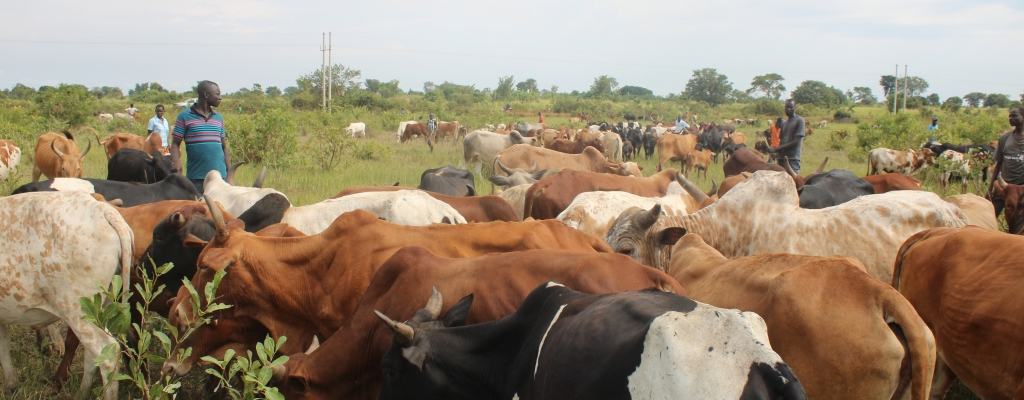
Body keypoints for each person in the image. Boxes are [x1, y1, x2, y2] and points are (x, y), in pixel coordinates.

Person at [170, 80, 230, 194]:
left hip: (219, 178)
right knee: (198, 209)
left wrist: (229, 171)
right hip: (196, 178)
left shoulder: (219, 118)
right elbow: (175, 144)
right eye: (217, 94)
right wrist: (176, 161)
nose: (220, 97)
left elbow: (224, 148)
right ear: (206, 95)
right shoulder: (184, 116)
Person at [986, 107, 1024, 217]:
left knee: (1018, 220)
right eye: (1010, 116)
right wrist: (990, 188)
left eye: (1014, 116)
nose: (1011, 118)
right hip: (1004, 186)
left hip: (1021, 188)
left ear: (1023, 117)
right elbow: (999, 164)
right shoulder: (1005, 138)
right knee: (991, 215)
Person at [769, 100, 805, 173]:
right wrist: (776, 152)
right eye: (786, 107)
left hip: (792, 158)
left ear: (795, 107)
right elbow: (782, 141)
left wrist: (776, 148)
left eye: (790, 107)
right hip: (781, 158)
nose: (788, 109)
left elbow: (796, 142)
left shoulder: (800, 121)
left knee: (793, 181)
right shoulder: (784, 123)